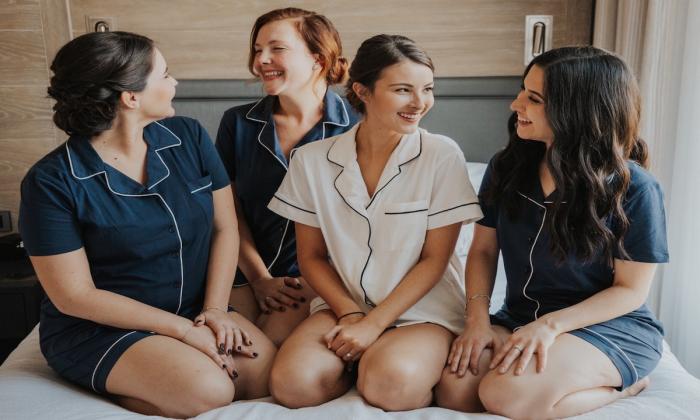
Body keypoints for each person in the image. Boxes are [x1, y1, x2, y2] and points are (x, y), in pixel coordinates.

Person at [19, 31, 275, 418]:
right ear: (131, 97)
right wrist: (184, 332)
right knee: (211, 390)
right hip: (99, 327)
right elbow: (75, 296)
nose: (175, 84)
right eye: (165, 74)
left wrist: (216, 311)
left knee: (262, 376)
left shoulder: (188, 136)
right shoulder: (52, 181)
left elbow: (226, 228)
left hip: (192, 308)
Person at [442, 46, 668, 418]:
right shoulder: (508, 166)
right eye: (521, 91)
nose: (516, 104)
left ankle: (623, 390)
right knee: (456, 391)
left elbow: (631, 290)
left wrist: (550, 326)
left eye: (533, 98)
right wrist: (478, 321)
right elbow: (482, 251)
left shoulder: (635, 188)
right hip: (521, 317)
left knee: (504, 395)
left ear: (575, 111)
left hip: (606, 327)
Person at [266, 34, 483, 411]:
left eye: (427, 89)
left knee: (389, 386)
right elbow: (312, 257)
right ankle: (360, 360)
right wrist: (351, 314)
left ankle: (383, 360)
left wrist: (373, 326)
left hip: (423, 311)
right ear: (362, 91)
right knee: (293, 386)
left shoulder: (441, 155)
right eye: (403, 90)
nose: (420, 103)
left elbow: (435, 260)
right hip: (343, 304)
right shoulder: (312, 160)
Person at [215, 7, 359, 346]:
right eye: (257, 49)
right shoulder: (237, 123)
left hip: (316, 277)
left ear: (318, 58)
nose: (261, 60)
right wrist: (259, 278)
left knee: (266, 353)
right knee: (224, 353)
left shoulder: (358, 126)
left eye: (277, 48)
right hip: (243, 271)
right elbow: (227, 212)